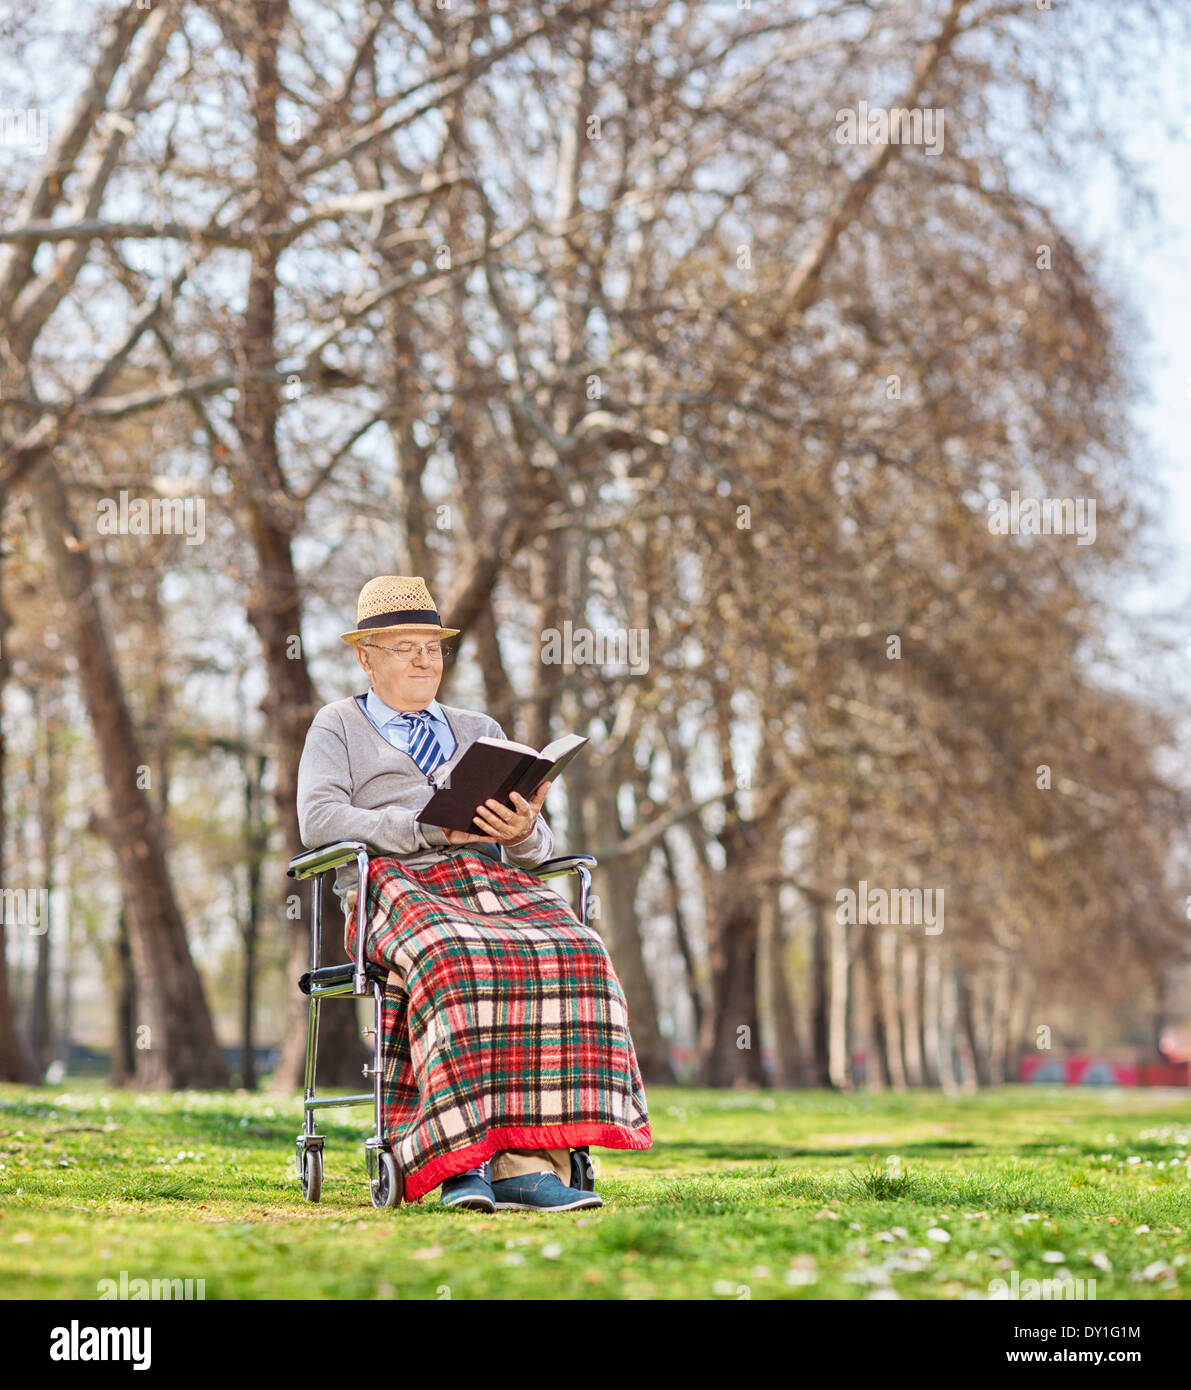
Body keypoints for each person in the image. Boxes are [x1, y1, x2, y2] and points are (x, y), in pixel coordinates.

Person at [296, 575, 652, 1211]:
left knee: (578, 950)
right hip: (393, 885)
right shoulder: (338, 726)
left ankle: (527, 1161)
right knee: (456, 957)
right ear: (365, 656)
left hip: (491, 879)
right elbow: (319, 819)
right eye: (402, 646)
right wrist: (419, 827)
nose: (421, 658)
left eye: (430, 646)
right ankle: (464, 1158)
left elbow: (534, 848)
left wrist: (523, 832)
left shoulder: (476, 726)